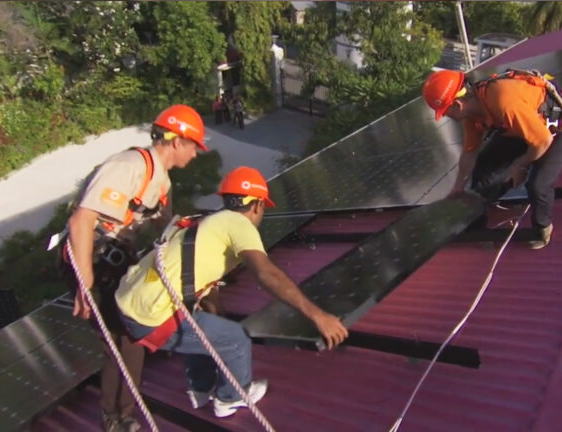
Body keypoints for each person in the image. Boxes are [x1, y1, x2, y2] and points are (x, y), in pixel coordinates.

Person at [114, 166, 349, 418]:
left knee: (208, 327)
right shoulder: (239, 224)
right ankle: (231, 398)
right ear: (257, 205)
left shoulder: (207, 222)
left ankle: (200, 389)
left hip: (129, 302)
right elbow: (267, 274)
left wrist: (219, 316)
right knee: (236, 339)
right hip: (151, 316)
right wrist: (318, 316)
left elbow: (201, 281)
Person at [58, 104, 207, 431]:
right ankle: (116, 418)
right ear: (177, 141)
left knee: (132, 337)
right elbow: (82, 221)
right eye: (194, 146)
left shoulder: (162, 182)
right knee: (122, 339)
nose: (196, 154)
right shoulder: (129, 166)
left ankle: (120, 414)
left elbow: (166, 233)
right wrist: (85, 283)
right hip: (92, 259)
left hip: (116, 261)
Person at [422, 69, 562, 249]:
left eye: (445, 112)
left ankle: (542, 229)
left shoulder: (503, 101)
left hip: (560, 126)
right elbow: (469, 152)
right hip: (525, 127)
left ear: (458, 105)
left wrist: (521, 166)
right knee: (484, 168)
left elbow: (543, 141)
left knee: (538, 184)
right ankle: (477, 222)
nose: (445, 116)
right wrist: (458, 188)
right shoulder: (472, 114)